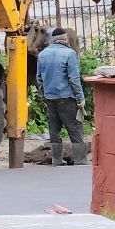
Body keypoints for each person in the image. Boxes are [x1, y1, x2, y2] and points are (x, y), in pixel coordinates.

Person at [36, 27, 85, 166]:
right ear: (65, 39)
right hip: (66, 98)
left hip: (50, 98)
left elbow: (39, 78)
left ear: (52, 39)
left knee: (54, 129)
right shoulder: (70, 54)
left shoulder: (43, 55)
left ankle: (57, 159)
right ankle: (80, 159)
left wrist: (44, 95)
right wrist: (80, 98)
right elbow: (74, 79)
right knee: (75, 127)